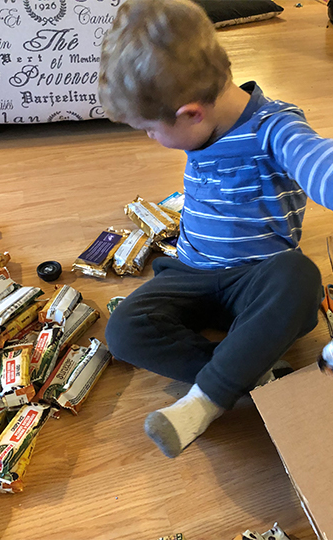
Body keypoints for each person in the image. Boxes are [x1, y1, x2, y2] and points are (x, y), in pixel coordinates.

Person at [100, 0, 332, 458]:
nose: (150, 138)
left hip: (259, 281)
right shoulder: (201, 125)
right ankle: (248, 368)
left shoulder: (275, 128)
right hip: (190, 271)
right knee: (123, 331)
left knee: (299, 278)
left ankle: (204, 402)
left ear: (191, 114)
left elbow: (315, 159)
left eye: (149, 129)